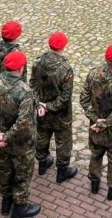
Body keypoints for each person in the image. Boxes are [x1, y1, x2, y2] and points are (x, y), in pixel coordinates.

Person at [0, 51, 42, 218]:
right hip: (21, 144)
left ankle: (5, 201)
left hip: (1, 140)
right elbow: (24, 122)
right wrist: (6, 137)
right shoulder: (24, 91)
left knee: (5, 170)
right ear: (22, 68)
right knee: (22, 174)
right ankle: (20, 206)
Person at [80, 44, 112, 201]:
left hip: (96, 126)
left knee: (96, 152)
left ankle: (94, 182)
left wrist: (95, 119)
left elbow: (84, 99)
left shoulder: (93, 74)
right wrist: (105, 123)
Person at [30, 32, 77, 184]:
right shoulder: (65, 69)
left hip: (42, 110)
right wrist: (50, 106)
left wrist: (39, 104)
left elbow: (32, 85)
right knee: (63, 141)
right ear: (63, 46)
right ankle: (62, 171)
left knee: (42, 135)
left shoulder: (38, 63)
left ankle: (42, 163)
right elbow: (65, 97)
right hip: (60, 113)